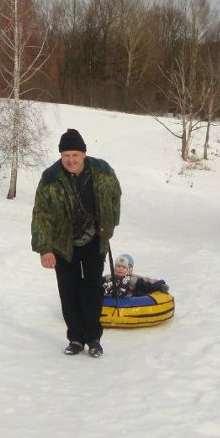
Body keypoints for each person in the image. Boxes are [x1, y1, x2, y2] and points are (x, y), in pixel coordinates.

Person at [31, 128, 121, 357]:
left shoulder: (102, 171)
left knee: (92, 289)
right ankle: (75, 338)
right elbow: (41, 214)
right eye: (66, 155)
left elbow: (115, 197)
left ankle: (93, 339)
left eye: (75, 155)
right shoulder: (50, 179)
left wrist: (109, 225)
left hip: (94, 240)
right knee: (68, 291)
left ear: (84, 154)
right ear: (61, 156)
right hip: (63, 243)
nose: (70, 160)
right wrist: (44, 248)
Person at [103, 253, 170, 298]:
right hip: (111, 302)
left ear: (129, 269)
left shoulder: (134, 278)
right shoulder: (109, 277)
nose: (120, 269)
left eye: (124, 267)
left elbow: (150, 283)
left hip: (131, 301)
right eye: (118, 266)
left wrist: (160, 285)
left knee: (141, 288)